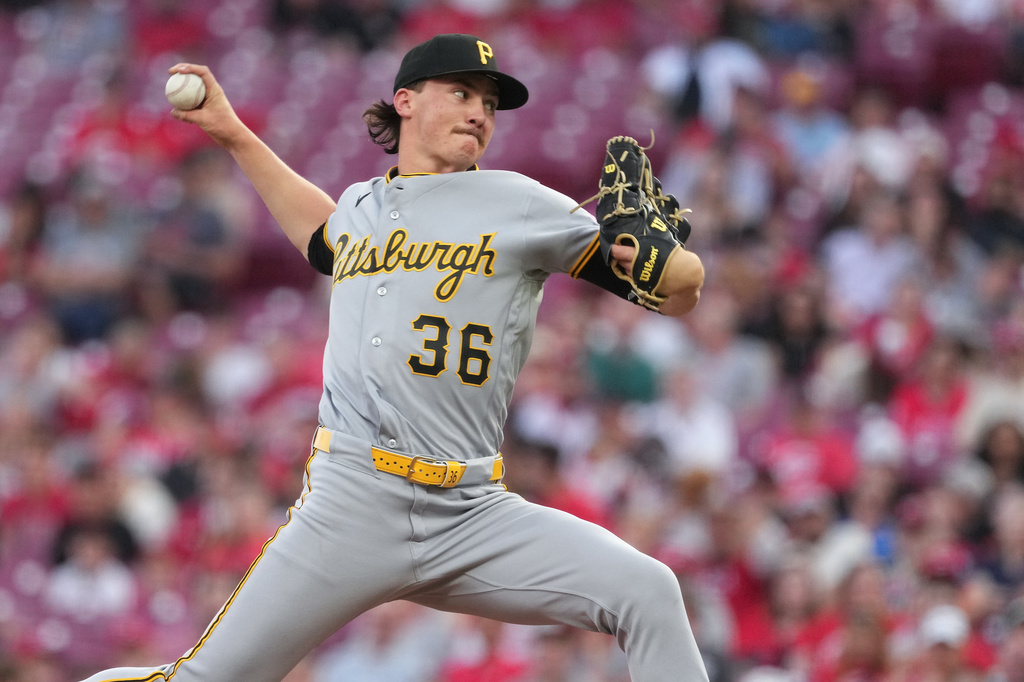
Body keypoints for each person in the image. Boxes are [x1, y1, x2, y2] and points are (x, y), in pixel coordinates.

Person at [78, 33, 707, 682]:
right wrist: (233, 132)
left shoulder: (520, 205)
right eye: (461, 93)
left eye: (490, 104)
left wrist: (673, 265)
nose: (479, 113)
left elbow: (676, 290)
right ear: (405, 101)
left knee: (649, 591)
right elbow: (321, 236)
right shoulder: (360, 209)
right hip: (352, 502)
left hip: (471, 511)